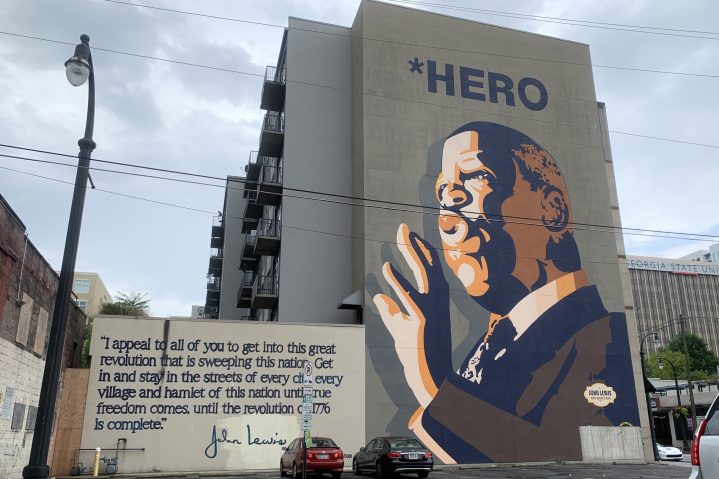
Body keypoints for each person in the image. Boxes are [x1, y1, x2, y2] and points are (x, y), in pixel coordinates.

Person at [373, 121, 640, 463]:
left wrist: (434, 382)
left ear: (554, 211)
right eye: (443, 194)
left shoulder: (607, 340)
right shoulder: (486, 347)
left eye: (475, 177)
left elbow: (559, 459)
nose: (447, 217)